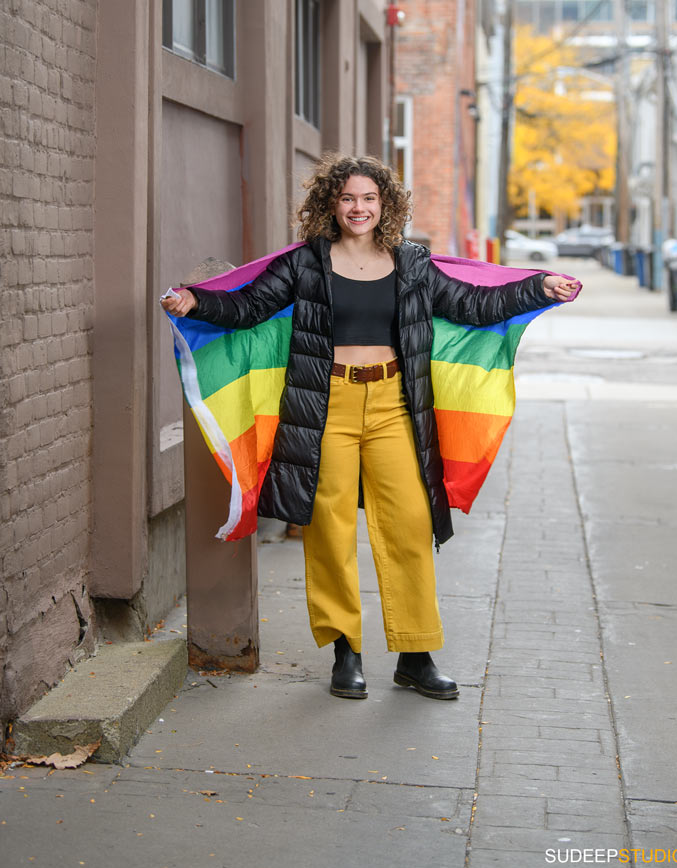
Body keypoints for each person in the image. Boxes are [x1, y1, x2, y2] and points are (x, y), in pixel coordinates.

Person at [161, 155, 577, 701]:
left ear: (385, 205)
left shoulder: (412, 264)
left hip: (393, 403)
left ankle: (415, 653)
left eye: (369, 199)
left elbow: (474, 305)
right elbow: (251, 307)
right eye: (348, 198)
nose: (359, 208)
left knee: (408, 522)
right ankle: (344, 651)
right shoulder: (307, 264)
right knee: (329, 526)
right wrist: (197, 300)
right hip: (324, 401)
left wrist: (537, 288)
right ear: (332, 204)